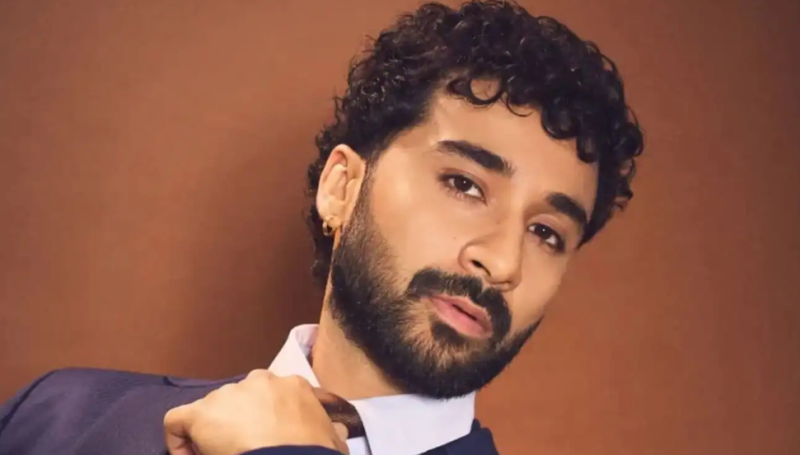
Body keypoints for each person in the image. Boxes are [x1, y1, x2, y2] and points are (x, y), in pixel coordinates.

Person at [0, 1, 645, 455]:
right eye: (464, 185)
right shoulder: (57, 419)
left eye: (547, 233)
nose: (503, 261)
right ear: (341, 187)